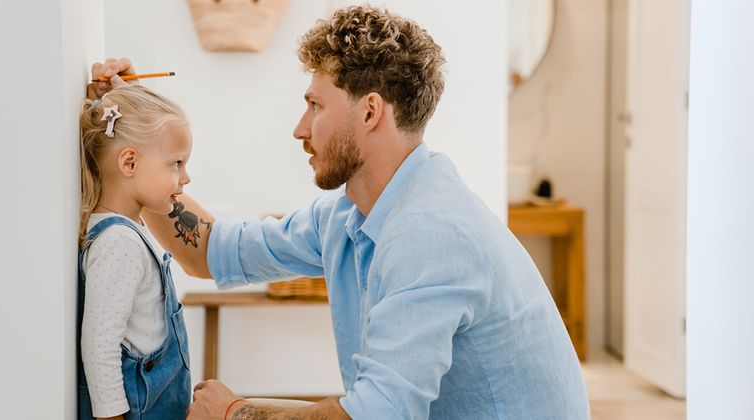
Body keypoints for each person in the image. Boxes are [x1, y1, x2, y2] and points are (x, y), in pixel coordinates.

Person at [89, 5, 590, 419]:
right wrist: (135, 154)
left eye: (316, 106)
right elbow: (211, 252)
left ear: (370, 112)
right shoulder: (351, 215)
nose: (300, 128)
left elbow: (374, 414)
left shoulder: (431, 235)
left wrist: (234, 412)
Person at [77, 84, 194, 419]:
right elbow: (100, 347)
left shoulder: (129, 230)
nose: (185, 177)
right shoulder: (120, 243)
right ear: (129, 162)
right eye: (176, 163)